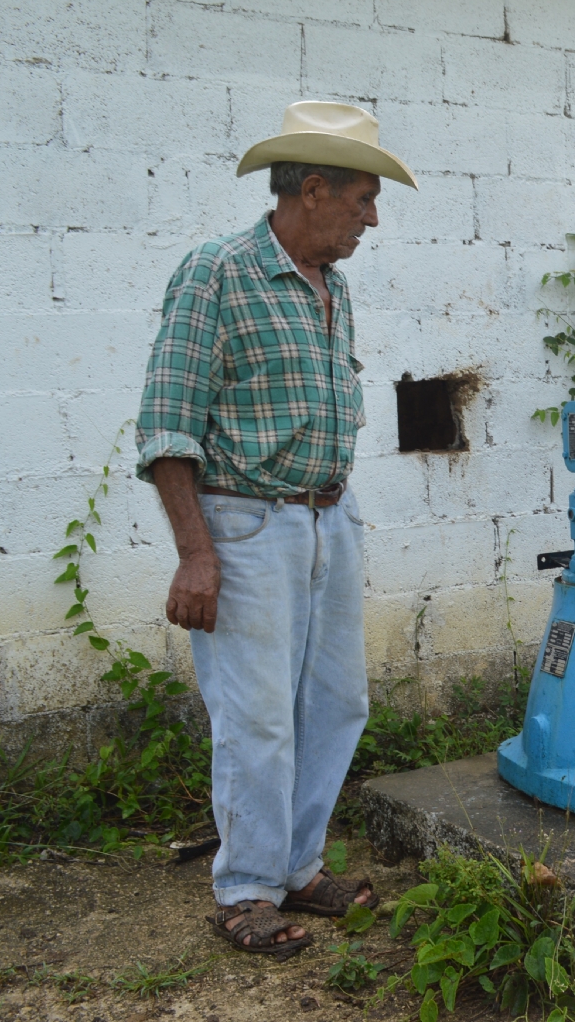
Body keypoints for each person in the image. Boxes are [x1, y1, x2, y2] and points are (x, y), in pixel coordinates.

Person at [135, 102, 418, 956]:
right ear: (314, 188)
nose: (374, 216)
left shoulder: (334, 288)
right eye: (364, 197)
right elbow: (168, 424)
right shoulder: (216, 273)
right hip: (246, 521)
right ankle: (246, 888)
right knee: (256, 714)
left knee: (335, 701)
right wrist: (195, 551)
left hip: (332, 514)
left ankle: (298, 863)